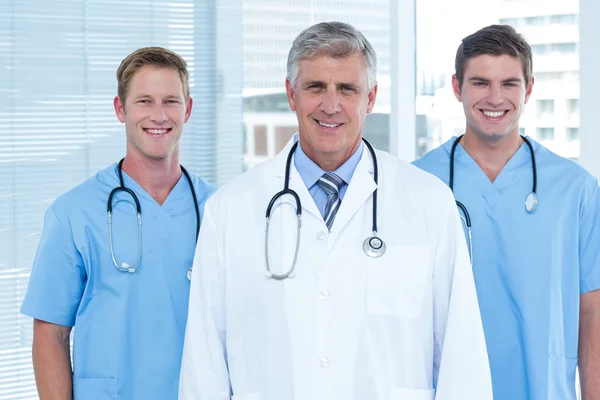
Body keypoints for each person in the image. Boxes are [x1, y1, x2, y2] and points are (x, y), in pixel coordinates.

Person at [179, 21, 492, 400]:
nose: (331, 105)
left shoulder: (428, 202)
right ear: (291, 95)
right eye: (315, 87)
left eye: (347, 88)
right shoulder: (229, 210)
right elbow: (204, 362)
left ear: (371, 98)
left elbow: (462, 356)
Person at [413, 24, 600, 399]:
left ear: (529, 88)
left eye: (509, 83)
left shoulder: (576, 188)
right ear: (456, 87)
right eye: (480, 82)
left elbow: (592, 314)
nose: (495, 98)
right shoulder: (418, 184)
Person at [20, 47, 216, 400]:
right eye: (144, 101)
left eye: (171, 101)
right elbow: (50, 334)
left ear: (187, 109)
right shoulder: (73, 213)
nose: (159, 115)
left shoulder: (219, 210)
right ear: (120, 109)